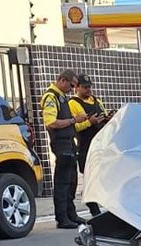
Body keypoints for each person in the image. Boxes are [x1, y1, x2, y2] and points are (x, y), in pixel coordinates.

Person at [41, 69, 89, 228]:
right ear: (62, 80)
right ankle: (62, 218)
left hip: (69, 143)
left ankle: (71, 214)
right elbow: (51, 122)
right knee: (62, 183)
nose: (72, 89)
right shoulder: (51, 97)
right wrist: (74, 120)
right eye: (71, 85)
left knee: (72, 181)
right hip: (60, 143)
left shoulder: (61, 97)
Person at [68, 74, 109, 217]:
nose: (88, 90)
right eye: (85, 87)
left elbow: (103, 115)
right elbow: (73, 127)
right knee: (90, 179)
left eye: (89, 86)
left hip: (101, 146)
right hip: (85, 146)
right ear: (77, 88)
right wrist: (89, 123)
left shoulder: (96, 100)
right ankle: (94, 210)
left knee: (104, 177)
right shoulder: (73, 103)